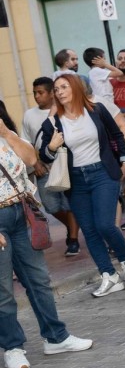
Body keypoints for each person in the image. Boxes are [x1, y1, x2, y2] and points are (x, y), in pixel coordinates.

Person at [0, 116, 93, 368]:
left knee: (38, 279)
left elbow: (31, 160)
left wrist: (7, 133)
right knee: (4, 289)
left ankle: (56, 337)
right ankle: (12, 347)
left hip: (22, 213)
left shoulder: (7, 136)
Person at [36, 73, 125, 296]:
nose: (59, 92)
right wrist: (51, 147)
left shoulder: (96, 110)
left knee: (105, 225)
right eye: (56, 89)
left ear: (75, 88)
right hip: (76, 180)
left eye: (63, 87)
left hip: (102, 173)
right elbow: (43, 155)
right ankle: (108, 275)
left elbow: (117, 135)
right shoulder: (53, 122)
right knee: (89, 231)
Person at [21, 77, 79, 257]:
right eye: (34, 93)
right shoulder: (29, 115)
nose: (37, 96)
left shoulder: (62, 110)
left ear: (51, 93)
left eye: (41, 93)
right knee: (51, 206)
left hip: (65, 163)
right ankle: (72, 226)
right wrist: (35, 163)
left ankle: (74, 239)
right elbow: (28, 143)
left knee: (70, 204)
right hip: (44, 166)